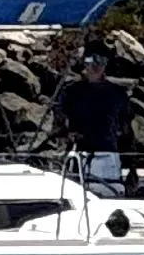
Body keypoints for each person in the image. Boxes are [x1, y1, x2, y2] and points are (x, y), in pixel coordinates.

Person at [54, 49, 130, 197]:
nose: (95, 66)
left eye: (100, 62)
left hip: (108, 152)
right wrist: (66, 138)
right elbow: (59, 122)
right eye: (91, 62)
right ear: (84, 64)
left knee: (109, 195)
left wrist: (132, 166)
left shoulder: (118, 93)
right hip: (78, 153)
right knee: (75, 196)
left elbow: (127, 129)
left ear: (105, 65)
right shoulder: (71, 91)